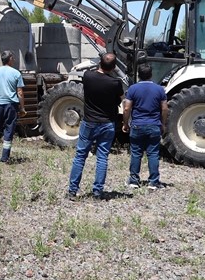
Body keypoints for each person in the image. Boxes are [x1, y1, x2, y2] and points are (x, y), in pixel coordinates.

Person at [67, 52, 123, 200]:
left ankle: (73, 190)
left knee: (80, 156)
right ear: (113, 67)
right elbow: (122, 99)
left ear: (100, 63)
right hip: (107, 123)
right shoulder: (115, 83)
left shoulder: (88, 76)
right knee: (102, 157)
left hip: (89, 122)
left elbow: (89, 71)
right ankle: (97, 192)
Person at [122, 62, 169, 190]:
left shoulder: (133, 89)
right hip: (154, 125)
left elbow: (127, 108)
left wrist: (125, 123)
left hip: (137, 125)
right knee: (153, 154)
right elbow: (164, 109)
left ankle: (133, 181)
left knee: (136, 153)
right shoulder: (160, 89)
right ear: (151, 75)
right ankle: (153, 182)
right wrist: (163, 123)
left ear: (139, 75)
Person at [0, 50, 26, 163]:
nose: (14, 59)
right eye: (13, 57)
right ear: (10, 59)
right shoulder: (16, 73)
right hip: (11, 106)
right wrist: (22, 108)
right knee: (9, 130)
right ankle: (4, 157)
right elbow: (20, 93)